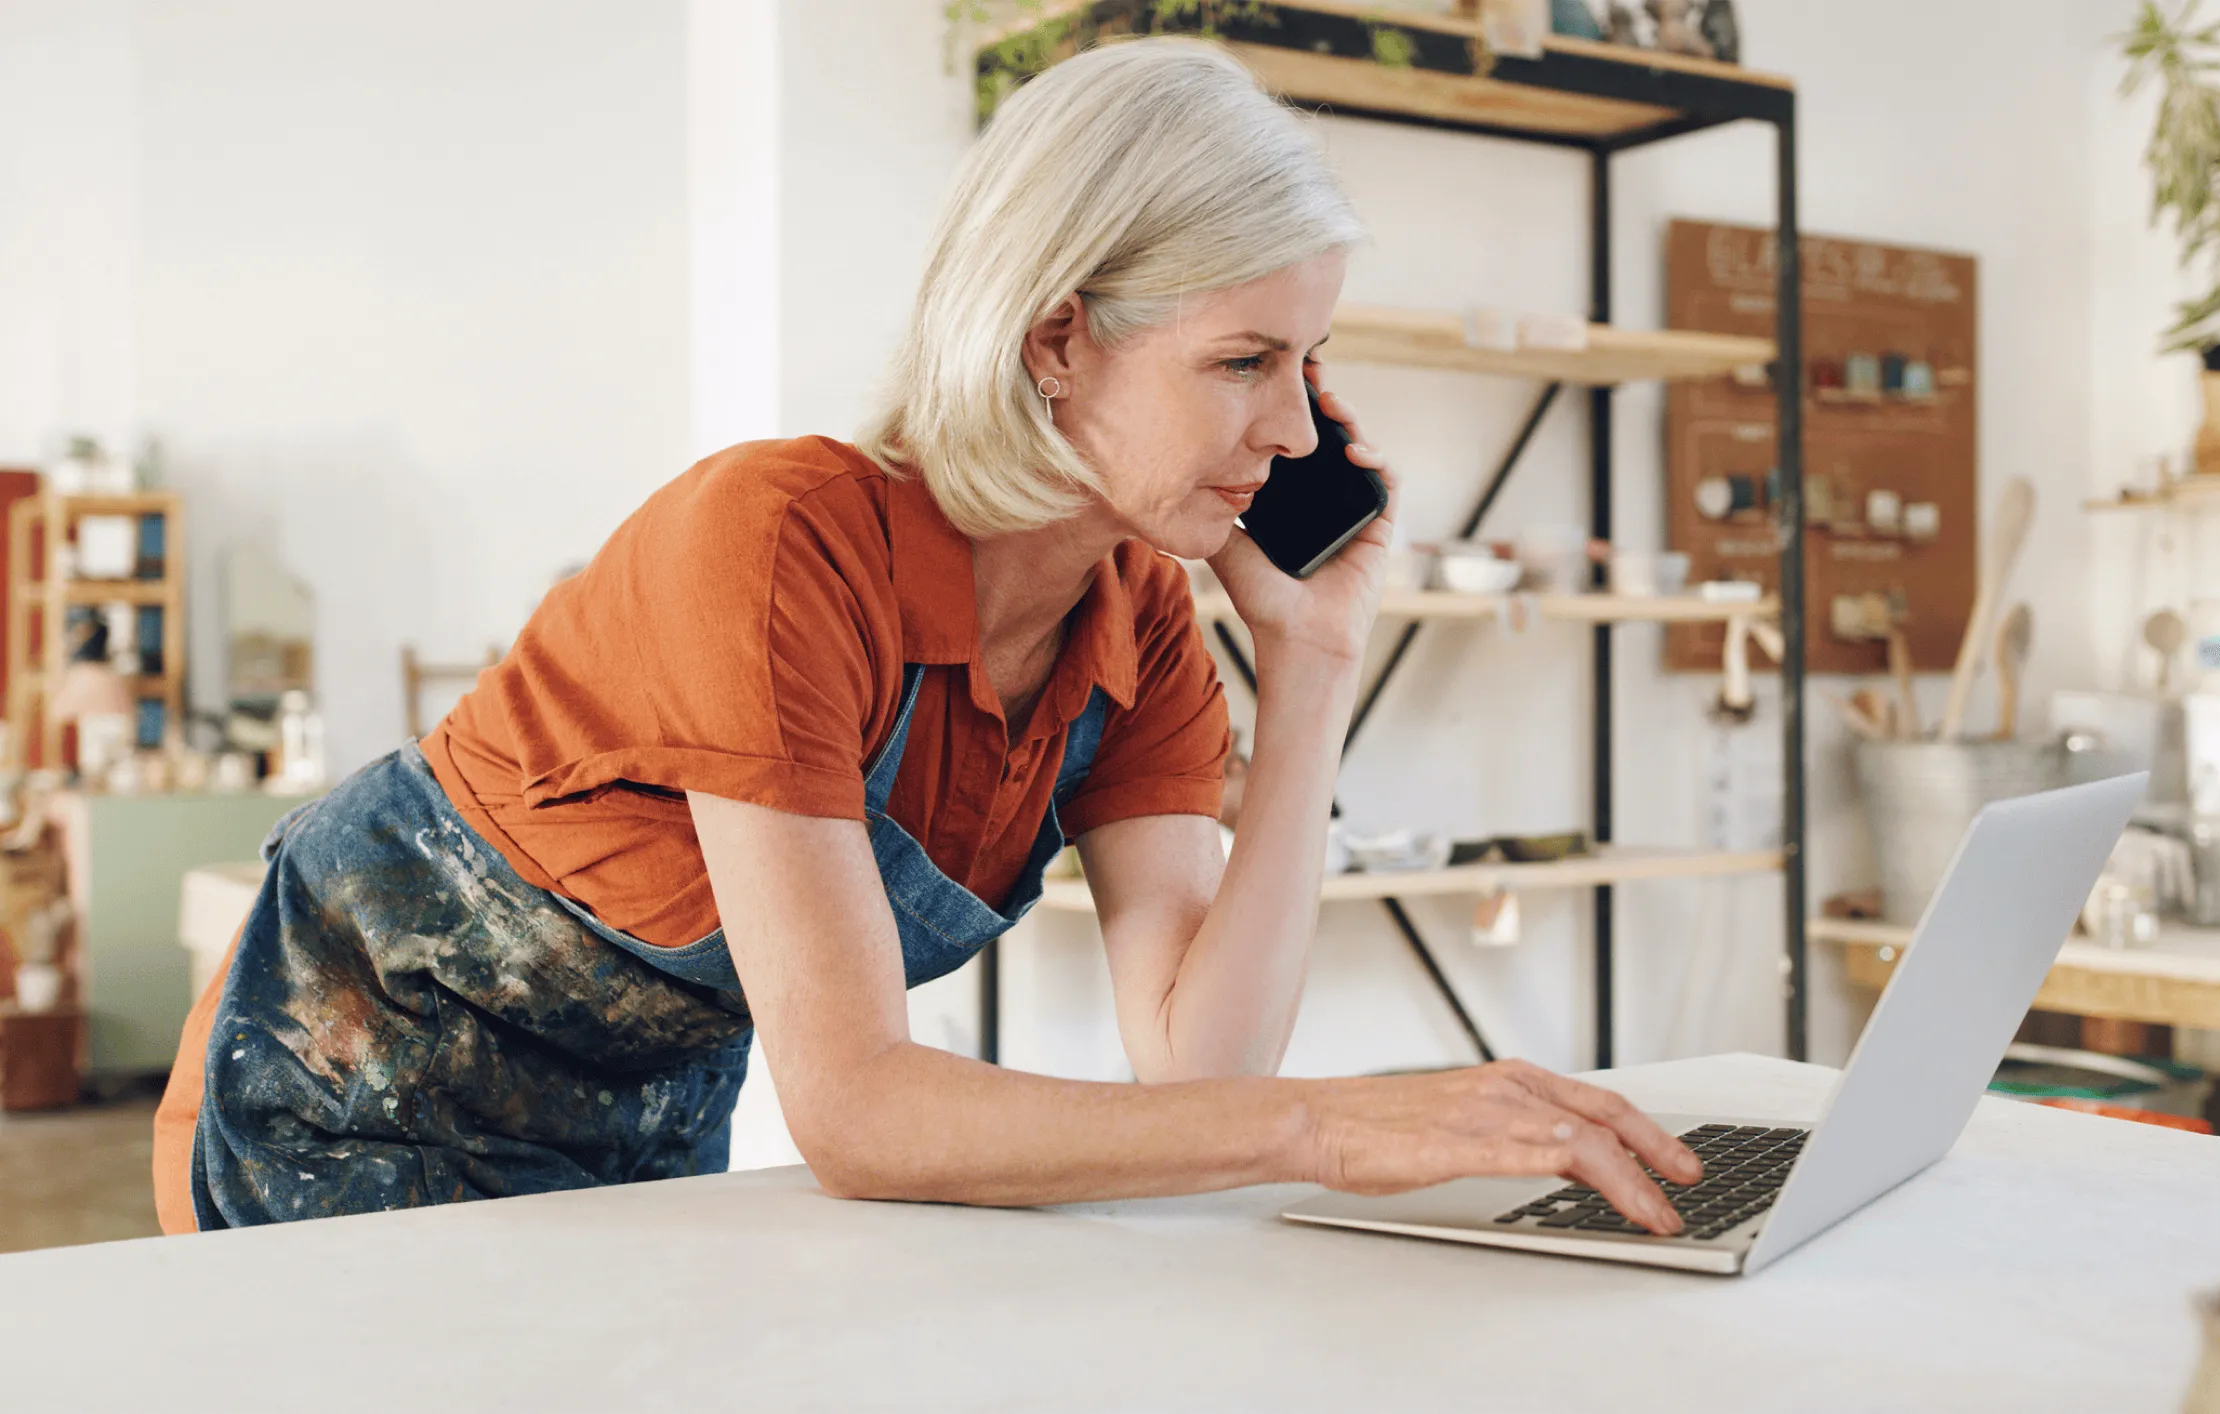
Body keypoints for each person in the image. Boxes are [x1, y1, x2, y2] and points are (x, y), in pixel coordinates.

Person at [153, 37, 1699, 1235]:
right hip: (351, 1071)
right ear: (1055, 340)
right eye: (1242, 360)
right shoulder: (777, 542)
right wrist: (1335, 1123)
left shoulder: (1138, 621)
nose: (1295, 429)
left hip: (627, 1128)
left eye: (1309, 360)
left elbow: (1200, 1067)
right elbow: (861, 1111)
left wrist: (1312, 668)